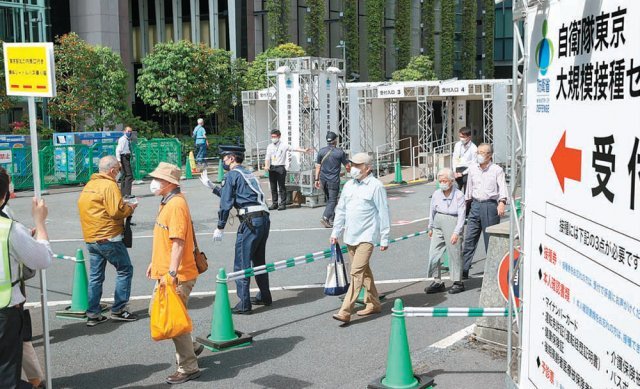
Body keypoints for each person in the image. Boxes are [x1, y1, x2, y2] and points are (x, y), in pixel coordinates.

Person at [145, 162, 203, 385]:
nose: (153, 183)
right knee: (157, 312)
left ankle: (188, 366)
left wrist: (171, 272)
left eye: (157, 179)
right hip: (166, 272)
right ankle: (193, 347)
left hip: (177, 274)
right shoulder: (167, 201)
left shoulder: (176, 204)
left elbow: (178, 242)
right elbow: (165, 239)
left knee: (174, 321)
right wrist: (154, 262)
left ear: (169, 183)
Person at [0, 166, 53, 389]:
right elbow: (42, 259)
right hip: (5, 311)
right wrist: (40, 222)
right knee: (6, 374)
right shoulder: (8, 228)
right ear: (3, 196)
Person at [203, 145, 272, 314]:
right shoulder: (248, 173)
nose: (223, 162)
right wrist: (213, 187)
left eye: (224, 159)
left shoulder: (232, 175)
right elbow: (239, 196)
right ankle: (265, 295)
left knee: (242, 262)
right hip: (263, 218)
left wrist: (220, 226)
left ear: (232, 158)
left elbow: (226, 203)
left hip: (249, 222)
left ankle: (244, 303)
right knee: (259, 261)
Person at [78, 156, 138, 326]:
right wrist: (130, 207)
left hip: (92, 237)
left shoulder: (90, 184)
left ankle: (93, 313)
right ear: (112, 170)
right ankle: (118, 309)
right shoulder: (109, 185)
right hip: (108, 237)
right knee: (125, 269)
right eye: (119, 170)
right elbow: (116, 212)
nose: (119, 173)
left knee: (96, 276)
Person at [330, 152, 390, 324]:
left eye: (357, 165)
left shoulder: (376, 186)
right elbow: (341, 210)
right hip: (350, 235)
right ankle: (374, 303)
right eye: (352, 165)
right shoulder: (349, 185)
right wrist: (336, 232)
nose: (353, 168)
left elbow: (383, 212)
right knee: (364, 272)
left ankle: (345, 311)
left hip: (367, 236)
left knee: (356, 272)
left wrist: (384, 237)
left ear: (367, 167)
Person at [462, 143, 508, 279]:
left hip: (490, 206)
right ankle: (463, 270)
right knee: (470, 238)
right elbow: (469, 189)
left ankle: (493, 273)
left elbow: (502, 188)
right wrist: (465, 203)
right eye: (478, 152)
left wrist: (502, 202)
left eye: (483, 153)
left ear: (489, 155)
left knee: (490, 241)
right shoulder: (472, 169)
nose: (479, 155)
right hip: (475, 205)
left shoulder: (497, 170)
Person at [425, 168, 466, 294]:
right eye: (440, 180)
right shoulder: (437, 193)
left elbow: (462, 215)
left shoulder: (459, 195)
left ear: (452, 181)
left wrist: (456, 232)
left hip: (453, 222)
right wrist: (430, 226)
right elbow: (432, 210)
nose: (442, 183)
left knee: (454, 252)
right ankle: (437, 281)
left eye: (445, 180)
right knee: (434, 252)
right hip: (438, 221)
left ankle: (458, 282)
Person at [264, 129, 311, 210]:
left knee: (281, 186)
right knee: (273, 187)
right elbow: (267, 158)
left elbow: (294, 149)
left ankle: (283, 203)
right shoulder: (270, 146)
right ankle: (274, 203)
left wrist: (304, 150)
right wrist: (266, 166)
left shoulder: (283, 145)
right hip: (272, 168)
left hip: (281, 167)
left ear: (279, 136)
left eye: (274, 136)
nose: (273, 138)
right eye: (272, 137)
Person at [314, 131, 350, 228]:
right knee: (333, 200)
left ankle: (331, 218)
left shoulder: (321, 151)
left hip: (323, 179)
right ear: (335, 141)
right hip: (333, 180)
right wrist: (349, 171)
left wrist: (316, 180)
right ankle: (325, 217)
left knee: (329, 199)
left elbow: (317, 167)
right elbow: (347, 166)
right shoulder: (339, 152)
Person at [451, 127, 477, 193]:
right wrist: (454, 171)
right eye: (460, 136)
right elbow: (455, 158)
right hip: (458, 169)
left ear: (469, 137)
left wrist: (462, 173)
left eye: (463, 137)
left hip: (467, 170)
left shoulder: (473, 148)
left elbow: (473, 164)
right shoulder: (457, 145)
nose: (461, 138)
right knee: (454, 190)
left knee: (467, 191)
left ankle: (467, 201)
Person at [116, 126, 134, 198]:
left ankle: (123, 193)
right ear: (124, 131)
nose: (129, 133)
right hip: (124, 157)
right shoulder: (123, 139)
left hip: (126, 157)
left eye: (130, 131)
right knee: (129, 175)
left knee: (124, 175)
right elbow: (118, 150)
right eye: (128, 131)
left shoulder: (127, 139)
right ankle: (127, 193)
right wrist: (119, 161)